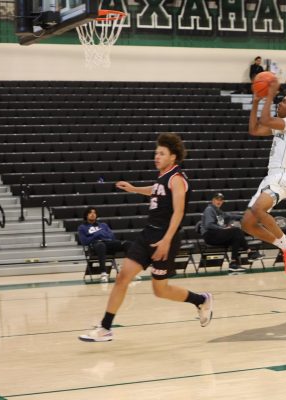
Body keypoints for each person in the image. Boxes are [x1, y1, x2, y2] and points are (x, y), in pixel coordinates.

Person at [79, 133, 213, 342]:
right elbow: (156, 190)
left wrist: (167, 240)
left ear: (173, 157)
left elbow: (178, 212)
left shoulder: (177, 179)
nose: (157, 156)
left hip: (164, 237)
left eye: (162, 153)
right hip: (148, 234)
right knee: (123, 277)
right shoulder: (163, 177)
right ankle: (105, 328)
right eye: (156, 152)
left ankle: (201, 300)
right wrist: (134, 189)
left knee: (160, 290)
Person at [242, 82, 286, 275]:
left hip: (284, 175)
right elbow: (254, 130)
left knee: (258, 209)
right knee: (247, 223)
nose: (279, 103)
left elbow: (265, 119)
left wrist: (270, 94)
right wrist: (256, 102)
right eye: (280, 100)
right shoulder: (282, 127)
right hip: (271, 176)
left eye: (284, 101)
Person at [201, 192, 264, 274]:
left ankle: (233, 264)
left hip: (217, 235)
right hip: (210, 235)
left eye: (221, 200)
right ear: (213, 200)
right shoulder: (209, 210)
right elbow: (209, 225)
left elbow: (231, 216)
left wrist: (246, 216)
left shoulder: (219, 211)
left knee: (236, 238)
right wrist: (223, 228)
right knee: (236, 230)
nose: (219, 201)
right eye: (217, 199)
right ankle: (250, 252)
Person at [78, 207, 130, 283]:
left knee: (128, 243)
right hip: (94, 246)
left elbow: (112, 236)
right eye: (90, 213)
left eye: (94, 213)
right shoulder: (82, 227)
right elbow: (84, 241)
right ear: (86, 215)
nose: (93, 214)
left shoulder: (103, 225)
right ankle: (103, 273)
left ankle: (128, 270)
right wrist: (97, 235)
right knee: (100, 245)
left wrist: (99, 235)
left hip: (108, 243)